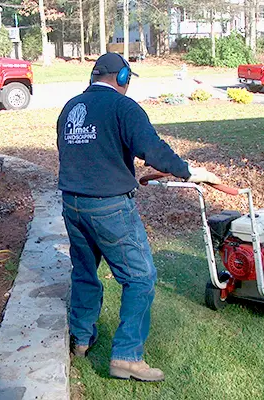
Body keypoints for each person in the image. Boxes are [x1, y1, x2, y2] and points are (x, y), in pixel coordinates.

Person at [57, 52, 220, 382]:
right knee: (140, 277)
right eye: (128, 79)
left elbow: (80, 153)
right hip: (109, 208)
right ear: (122, 78)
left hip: (72, 203)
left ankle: (81, 339)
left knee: (85, 272)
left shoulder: (70, 107)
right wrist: (190, 171)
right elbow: (153, 149)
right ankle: (127, 357)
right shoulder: (123, 107)